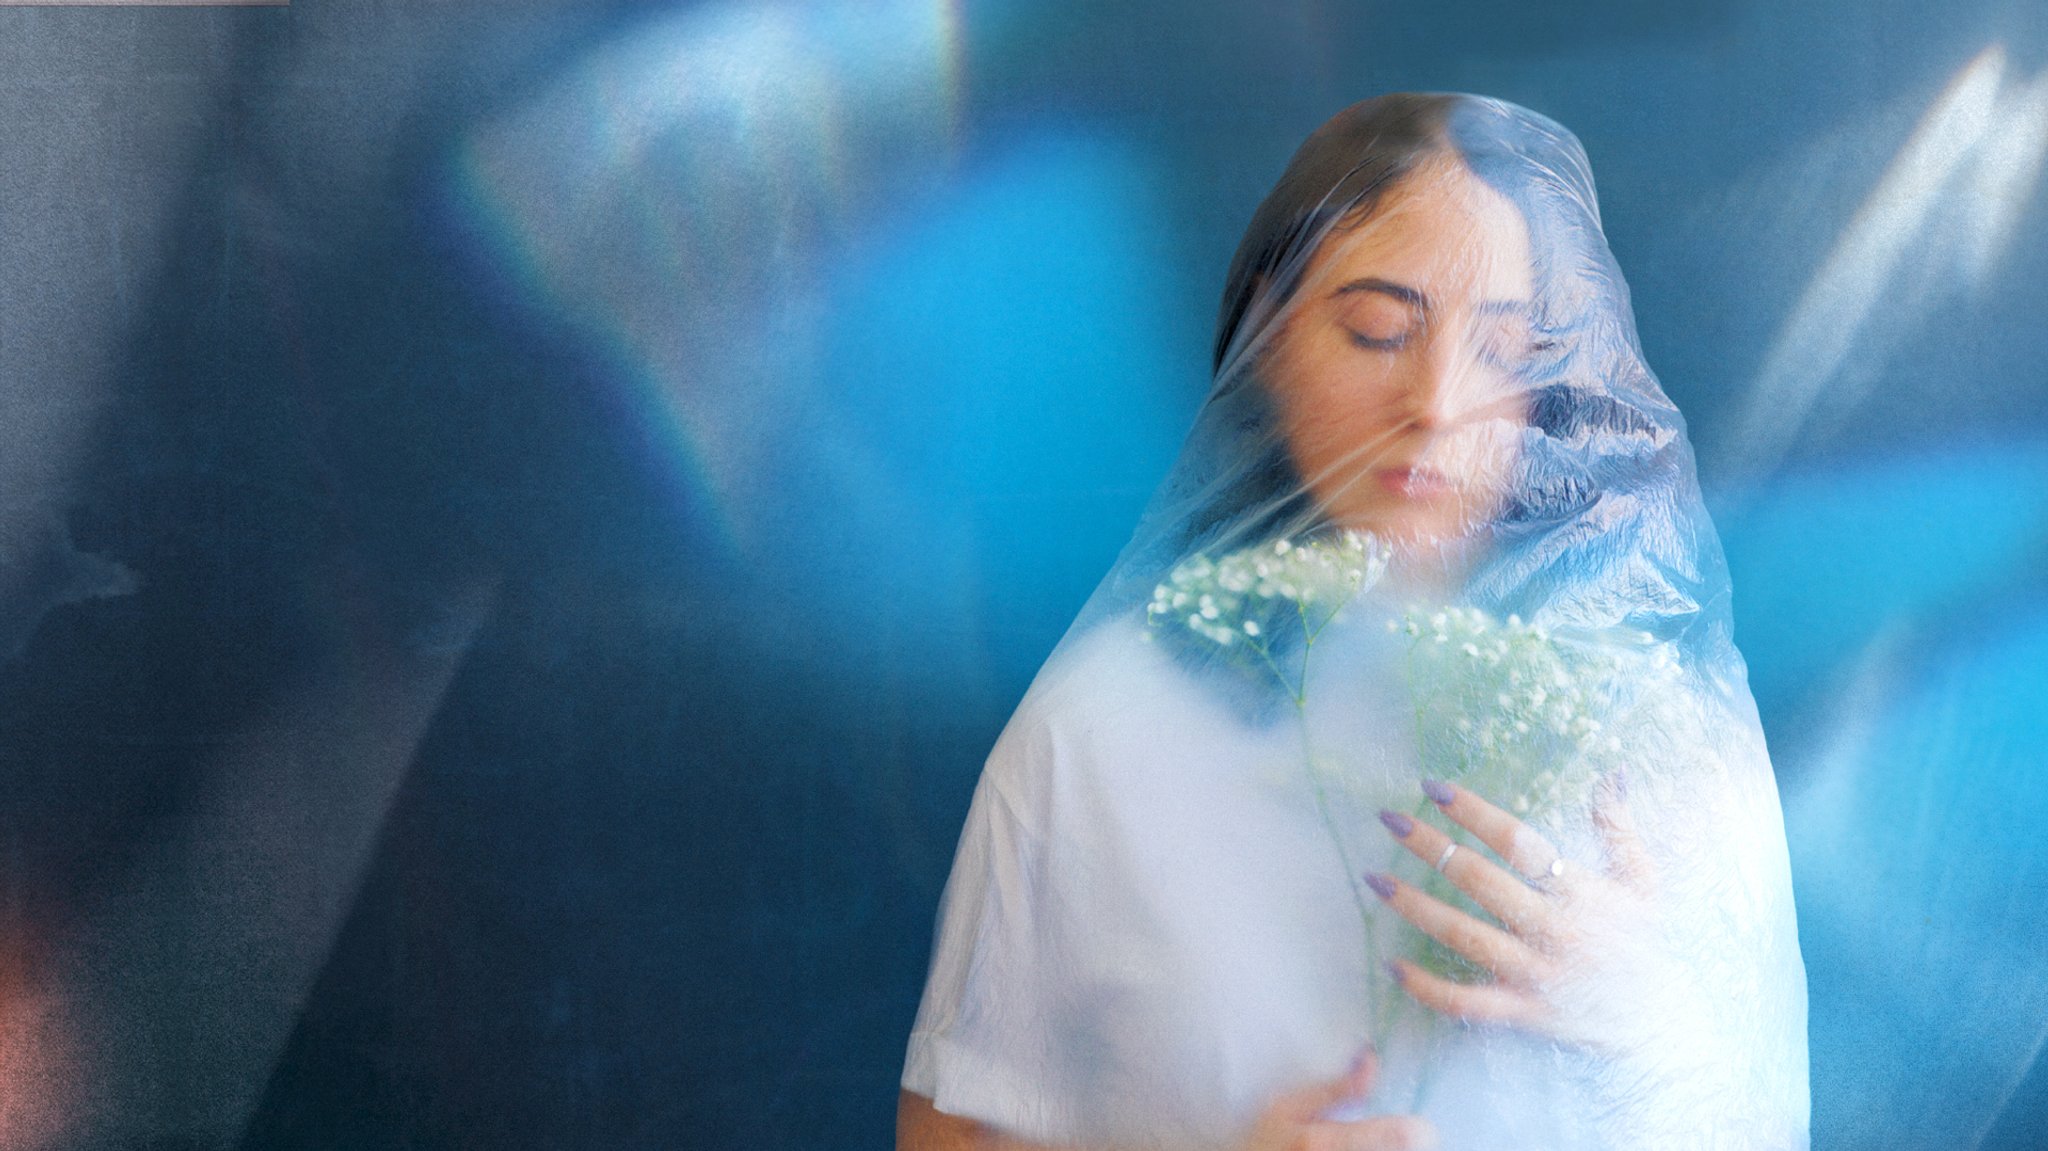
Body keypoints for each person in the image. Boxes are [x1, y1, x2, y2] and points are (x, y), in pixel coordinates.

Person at [897, 93, 1810, 1151]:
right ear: (1265, 339)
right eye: (1379, 328)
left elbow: (1767, 1121)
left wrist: (1647, 1013)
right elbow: (945, 1135)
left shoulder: (1649, 732)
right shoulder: (1095, 735)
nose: (1436, 403)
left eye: (1508, 350)